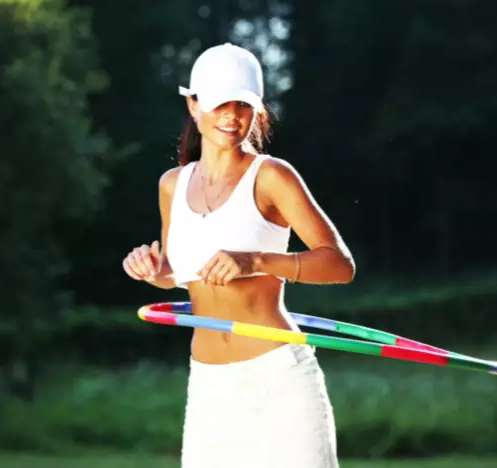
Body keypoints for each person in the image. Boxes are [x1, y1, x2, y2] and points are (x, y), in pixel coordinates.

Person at [122, 42, 355, 468]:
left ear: (257, 109)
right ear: (193, 105)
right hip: (209, 385)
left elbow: (339, 265)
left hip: (278, 377)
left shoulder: (271, 176)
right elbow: (177, 273)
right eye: (220, 103)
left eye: (243, 104)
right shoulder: (171, 184)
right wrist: (153, 270)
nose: (232, 115)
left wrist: (257, 261)